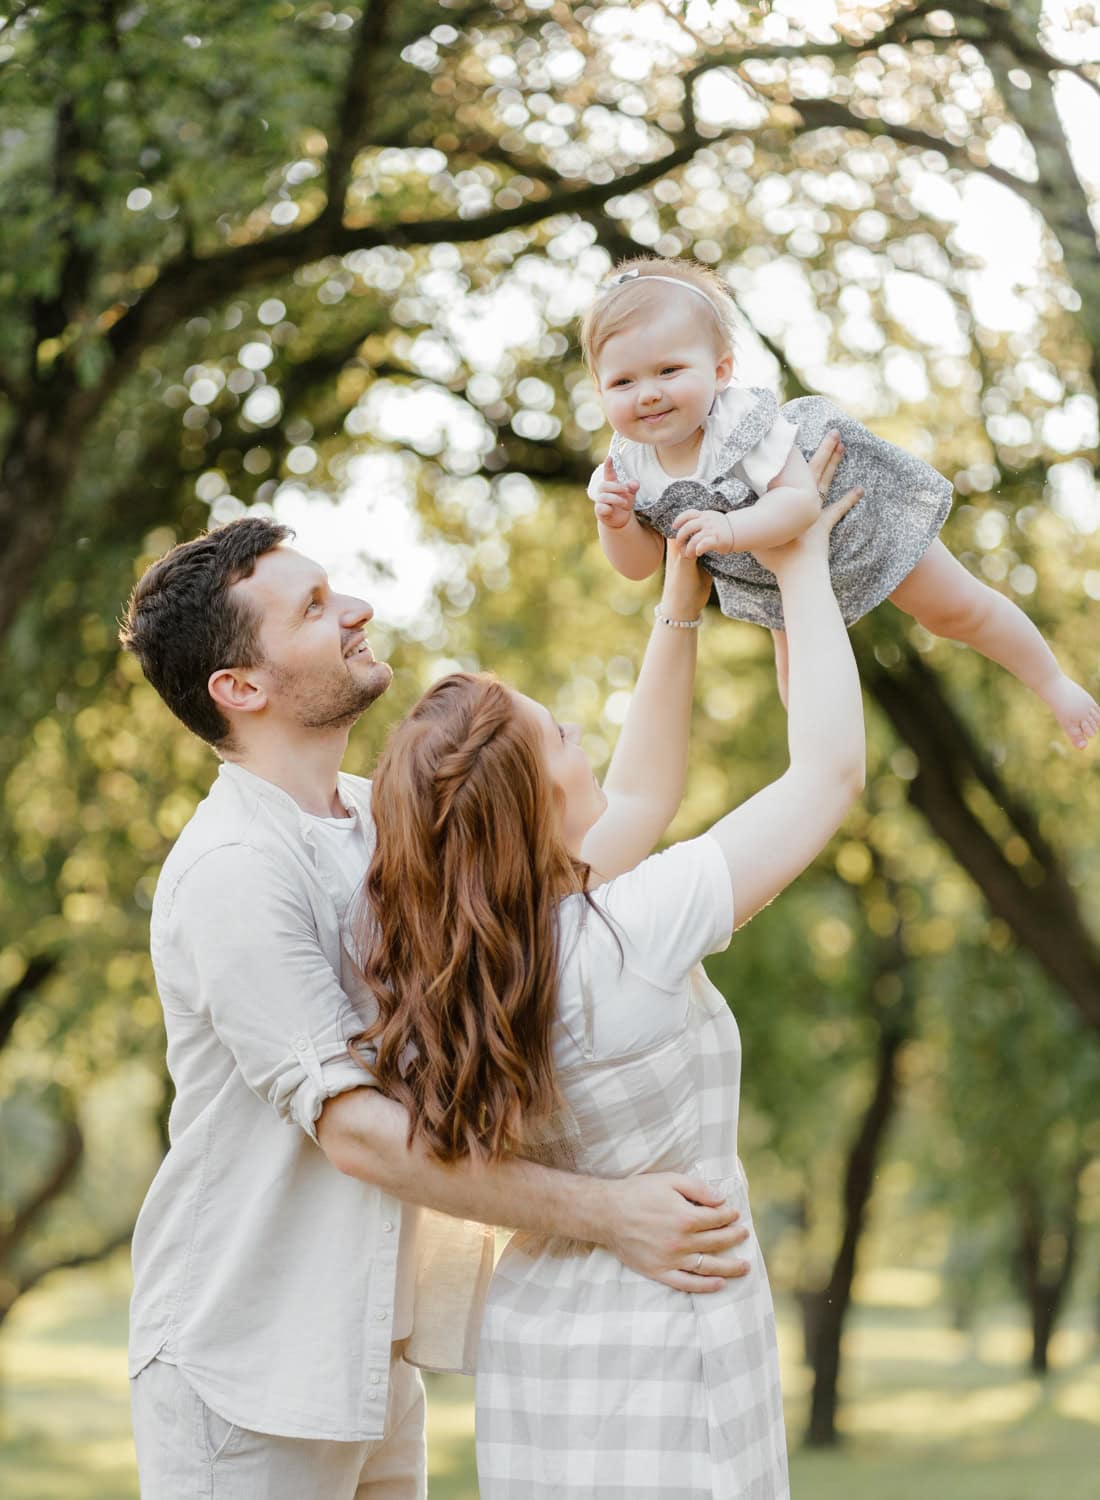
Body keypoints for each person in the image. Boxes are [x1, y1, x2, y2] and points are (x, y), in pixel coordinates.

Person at [118, 519, 750, 1499]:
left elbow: (622, 819)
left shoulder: (379, 821)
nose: (357, 610)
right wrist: (606, 1214)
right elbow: (359, 1136)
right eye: (314, 608)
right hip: (245, 1370)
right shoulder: (236, 871)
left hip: (368, 1352)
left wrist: (678, 602)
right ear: (240, 688)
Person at [354, 436, 865, 1498]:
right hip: (669, 1333)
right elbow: (826, 774)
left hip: (543, 1347)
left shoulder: (464, 968)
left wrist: (676, 606)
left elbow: (637, 796)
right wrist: (802, 558)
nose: (585, 733)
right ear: (532, 809)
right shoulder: (631, 930)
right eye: (560, 739)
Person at [584, 256, 1099, 749]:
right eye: (623, 381)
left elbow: (801, 502)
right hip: (776, 575)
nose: (647, 393)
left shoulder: (739, 423)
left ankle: (1052, 682)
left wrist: (730, 530)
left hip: (851, 517)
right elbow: (641, 566)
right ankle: (826, 770)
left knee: (952, 610)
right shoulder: (627, 468)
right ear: (600, 390)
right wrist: (618, 523)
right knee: (797, 678)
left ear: (720, 371)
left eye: (669, 370)